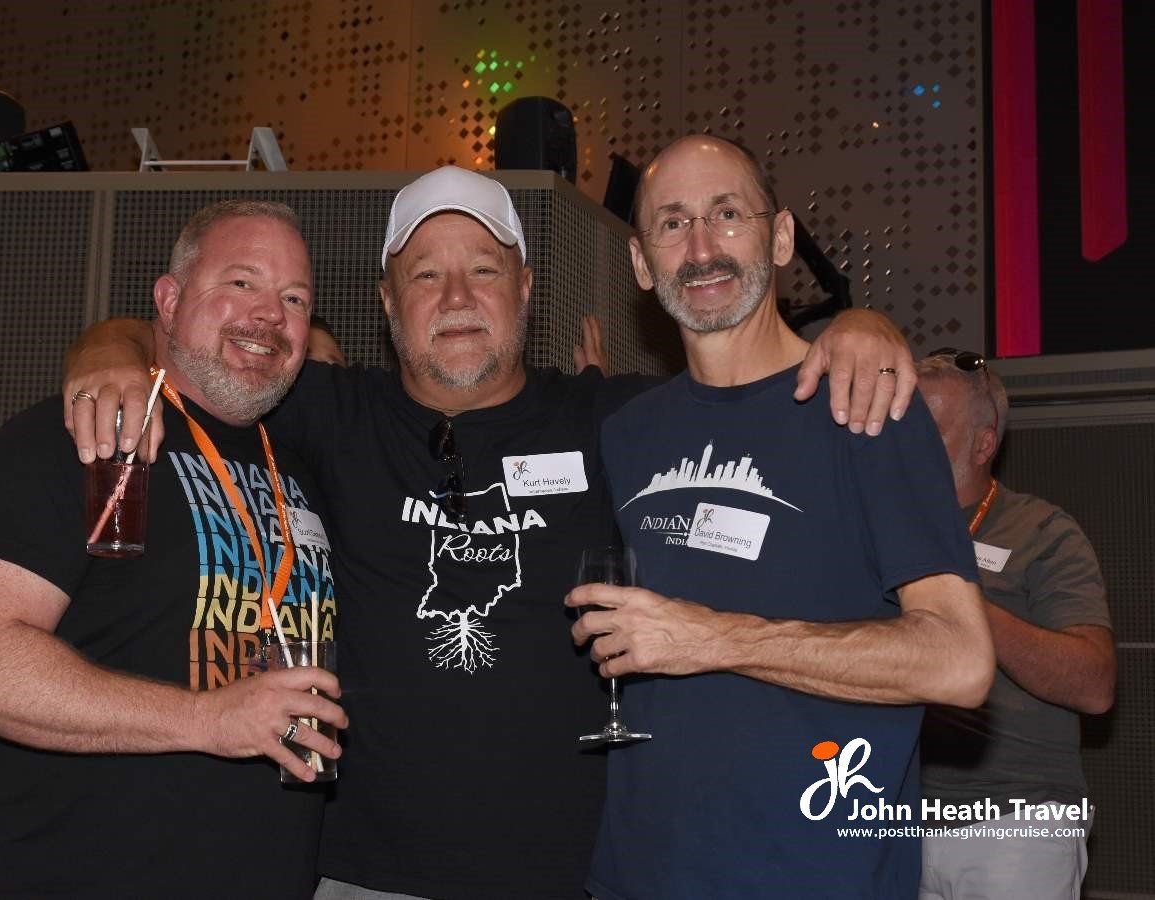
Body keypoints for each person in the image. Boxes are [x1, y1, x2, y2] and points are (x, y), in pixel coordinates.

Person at [63, 165, 918, 899]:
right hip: (362, 872)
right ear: (387, 302)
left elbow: (753, 384)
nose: (458, 297)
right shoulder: (326, 411)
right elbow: (178, 337)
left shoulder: (616, 420)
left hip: (567, 873)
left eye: (483, 268)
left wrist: (858, 328)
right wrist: (109, 351)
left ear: (525, 289)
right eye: (426, 276)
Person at [566, 135, 996, 899]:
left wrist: (711, 637)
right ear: (640, 262)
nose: (700, 248)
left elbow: (959, 663)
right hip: (639, 874)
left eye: (727, 214)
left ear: (781, 236)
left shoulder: (864, 405)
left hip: (811, 874)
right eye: (671, 224)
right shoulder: (628, 433)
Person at [0, 200, 349, 899]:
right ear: (170, 298)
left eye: (294, 297)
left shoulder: (304, 462)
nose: (270, 313)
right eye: (240, 283)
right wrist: (206, 719)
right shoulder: (77, 437)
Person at [915, 349, 1115, 900]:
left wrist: (966, 603)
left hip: (1016, 822)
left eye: (927, 429)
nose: (905, 444)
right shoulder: (878, 528)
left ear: (983, 444)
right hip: (895, 818)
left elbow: (1095, 686)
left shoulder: (1041, 531)